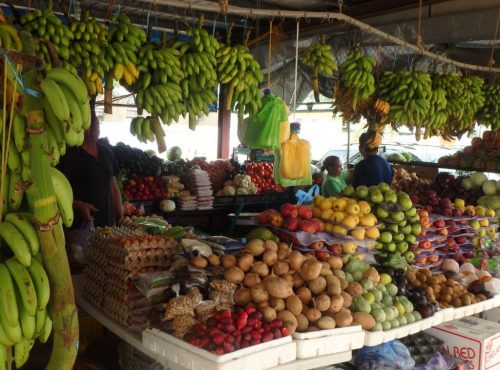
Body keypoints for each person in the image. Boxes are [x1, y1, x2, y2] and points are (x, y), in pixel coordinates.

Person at [58, 104, 123, 229]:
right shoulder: (70, 154)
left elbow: (114, 187)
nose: (95, 130)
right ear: (81, 128)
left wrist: (120, 215)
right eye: (91, 127)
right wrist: (79, 205)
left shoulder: (107, 152)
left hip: (108, 224)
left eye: (97, 127)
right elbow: (60, 191)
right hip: (81, 224)